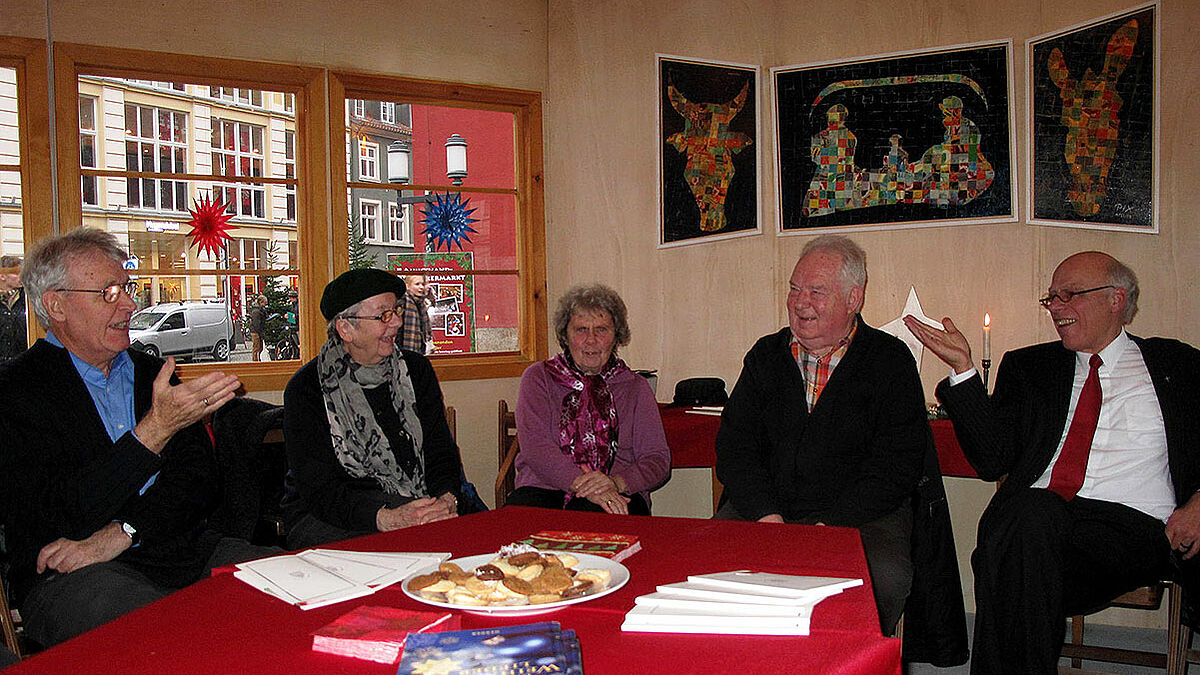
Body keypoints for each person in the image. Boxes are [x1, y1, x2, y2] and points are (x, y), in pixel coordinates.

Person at [904, 251, 1200, 674]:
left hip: (1134, 530)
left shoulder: (1178, 365)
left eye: (1070, 295)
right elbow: (993, 460)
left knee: (1014, 549)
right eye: (1052, 299)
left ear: (1116, 300)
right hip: (1038, 525)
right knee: (1027, 522)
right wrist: (963, 369)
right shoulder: (1031, 367)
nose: (1056, 308)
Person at [0, 227, 270, 647]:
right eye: (108, 292)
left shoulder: (151, 373)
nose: (129, 304)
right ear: (56, 305)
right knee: (171, 634)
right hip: (69, 577)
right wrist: (154, 431)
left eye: (125, 287)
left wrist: (125, 531)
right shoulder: (16, 391)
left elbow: (198, 484)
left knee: (302, 584)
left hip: (178, 550)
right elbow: (58, 516)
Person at [715, 235, 927, 636]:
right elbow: (735, 448)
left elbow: (897, 465)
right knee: (711, 563)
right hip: (764, 510)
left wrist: (830, 527)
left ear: (853, 299)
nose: (799, 301)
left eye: (816, 291)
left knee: (883, 576)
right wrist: (767, 515)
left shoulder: (890, 361)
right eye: (795, 288)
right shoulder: (765, 356)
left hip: (860, 517)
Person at [281, 268, 465, 549]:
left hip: (419, 504)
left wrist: (446, 500)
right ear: (346, 328)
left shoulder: (416, 371)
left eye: (397, 311)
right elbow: (320, 491)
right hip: (331, 516)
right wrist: (386, 519)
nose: (397, 323)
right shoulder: (307, 388)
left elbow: (441, 452)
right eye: (384, 316)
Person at [509, 284, 668, 515]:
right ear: (566, 335)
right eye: (581, 329)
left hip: (618, 490)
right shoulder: (538, 378)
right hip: (543, 487)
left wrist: (615, 483)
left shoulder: (636, 387)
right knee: (517, 526)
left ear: (616, 336)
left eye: (602, 329)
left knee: (593, 519)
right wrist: (585, 485)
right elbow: (536, 448)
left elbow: (657, 460)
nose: (591, 340)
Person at [0, 254, 27, 363]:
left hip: (22, 364)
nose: (22, 276)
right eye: (17, 273)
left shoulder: (27, 298)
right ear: (2, 276)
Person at [397, 274, 433, 354]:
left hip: (418, 352)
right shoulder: (403, 302)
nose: (421, 287)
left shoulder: (421, 304)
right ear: (407, 286)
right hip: (404, 352)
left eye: (424, 284)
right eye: (417, 284)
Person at [247, 294, 267, 361]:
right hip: (256, 332)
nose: (265, 304)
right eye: (264, 303)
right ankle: (255, 361)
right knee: (256, 348)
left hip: (257, 331)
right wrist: (260, 333)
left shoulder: (259, 310)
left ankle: (258, 360)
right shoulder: (256, 311)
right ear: (261, 302)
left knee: (259, 347)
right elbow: (256, 324)